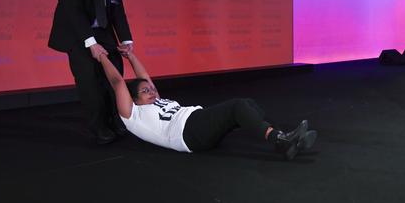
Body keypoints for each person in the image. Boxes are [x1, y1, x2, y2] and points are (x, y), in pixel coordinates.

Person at [95, 48, 318, 160]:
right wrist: (102, 57)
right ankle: (280, 140)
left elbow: (145, 78)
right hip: (187, 132)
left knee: (248, 104)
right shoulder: (132, 113)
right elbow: (117, 82)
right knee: (238, 106)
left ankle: (285, 138)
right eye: (145, 91)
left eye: (152, 88)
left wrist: (131, 56)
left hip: (196, 125)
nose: (151, 91)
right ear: (134, 99)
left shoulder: (155, 99)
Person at [48, 0, 133, 145]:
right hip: (78, 34)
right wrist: (91, 42)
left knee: (115, 77)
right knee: (89, 80)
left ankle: (116, 119)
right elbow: (73, 10)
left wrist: (126, 39)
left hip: (103, 32)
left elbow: (116, 9)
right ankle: (98, 126)